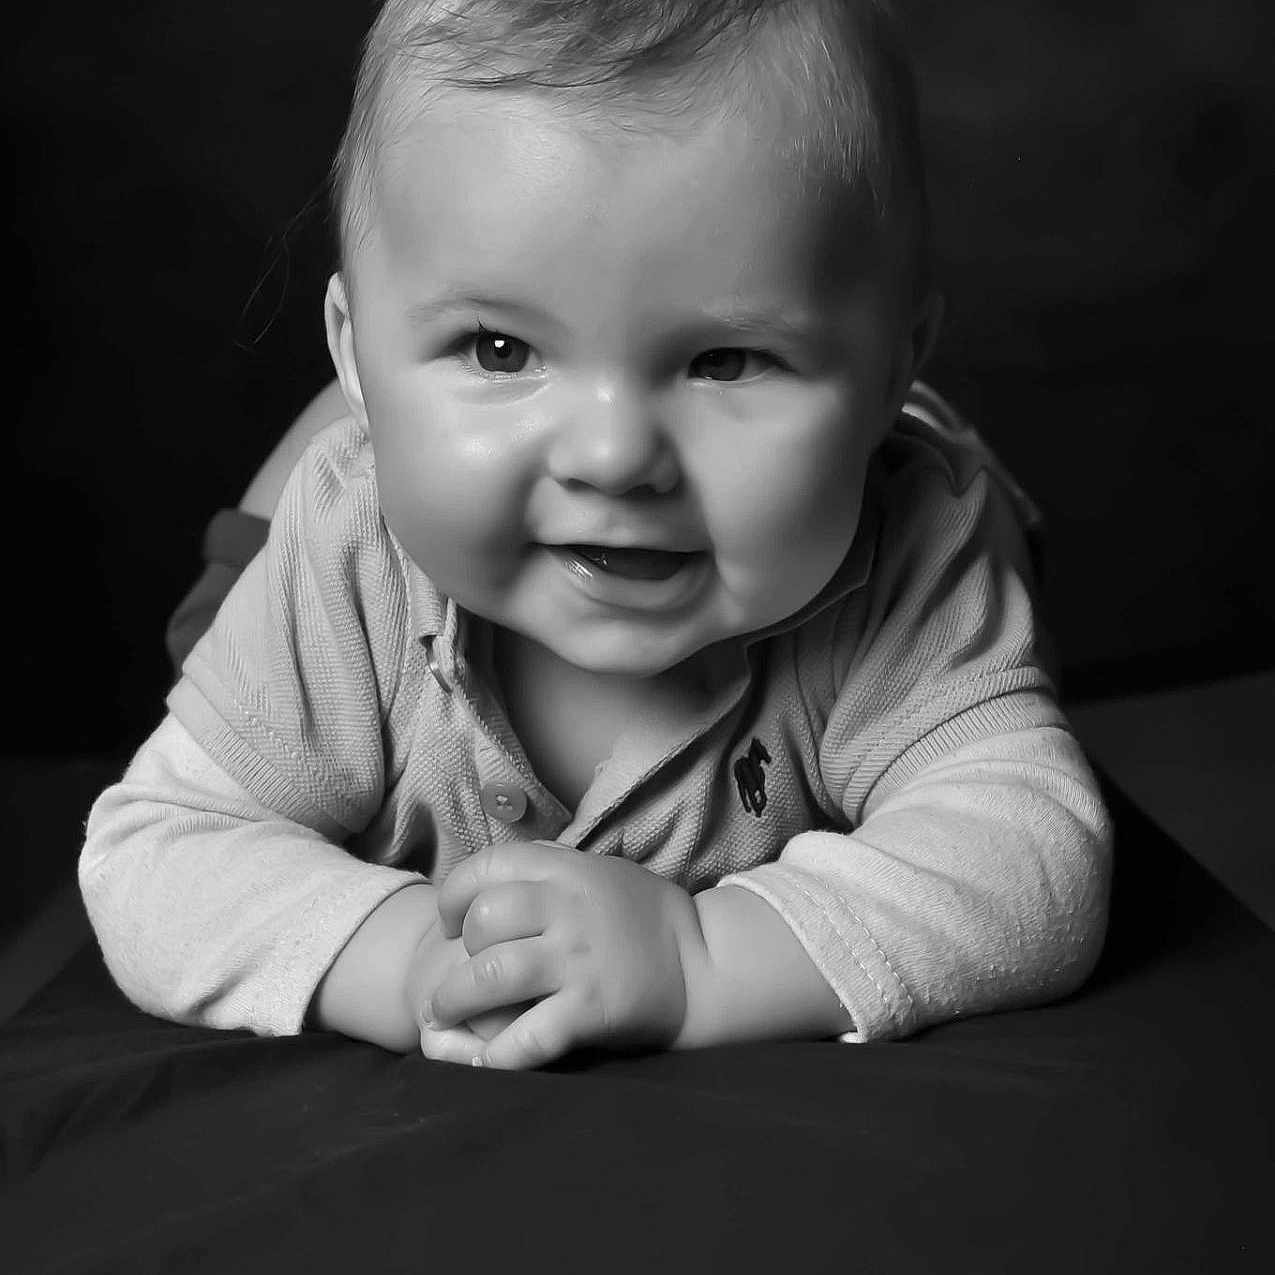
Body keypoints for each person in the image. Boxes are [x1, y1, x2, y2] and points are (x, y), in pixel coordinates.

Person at [80, 0, 1112, 1070]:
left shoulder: (910, 559)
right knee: (241, 601)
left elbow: (1035, 860)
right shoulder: (344, 553)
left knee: (976, 531)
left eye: (726, 359)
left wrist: (700, 956)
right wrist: (403, 962)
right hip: (362, 523)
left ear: (893, 366)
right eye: (498, 346)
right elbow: (156, 850)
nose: (616, 457)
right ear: (350, 345)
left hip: (895, 467)